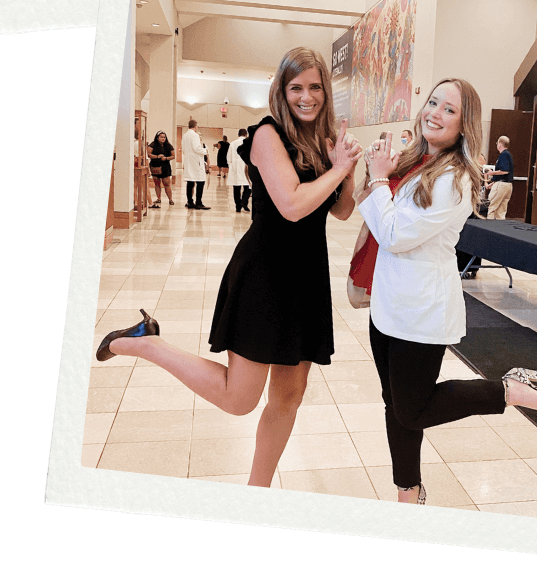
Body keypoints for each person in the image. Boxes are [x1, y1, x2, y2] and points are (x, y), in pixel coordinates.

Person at [97, 48, 363, 487]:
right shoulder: (267, 135)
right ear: (281, 90)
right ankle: (144, 343)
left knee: (289, 396)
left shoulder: (323, 140)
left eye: (315, 86)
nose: (307, 96)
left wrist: (347, 175)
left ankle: (255, 493)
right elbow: (293, 206)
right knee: (239, 398)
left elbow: (340, 212)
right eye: (296, 87)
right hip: (266, 274)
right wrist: (337, 172)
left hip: (306, 278)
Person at [356, 79, 537, 505]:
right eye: (432, 102)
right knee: (396, 405)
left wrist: (377, 181)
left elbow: (392, 233)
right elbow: (374, 216)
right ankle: (407, 490)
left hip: (421, 312)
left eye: (449, 109)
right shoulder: (414, 160)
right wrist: (375, 174)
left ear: (465, 124)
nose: (435, 113)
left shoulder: (457, 178)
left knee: (412, 408)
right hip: (388, 307)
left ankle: (506, 390)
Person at [182, 119, 210, 211]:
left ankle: (190, 202)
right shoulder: (195, 135)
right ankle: (198, 202)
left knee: (190, 181)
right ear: (195, 126)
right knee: (200, 180)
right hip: (196, 161)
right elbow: (197, 148)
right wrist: (206, 150)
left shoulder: (185, 135)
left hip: (189, 160)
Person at [487, 135, 514, 219]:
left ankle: (488, 228)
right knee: (501, 211)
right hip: (508, 185)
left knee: (491, 208)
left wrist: (491, 173)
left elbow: (504, 170)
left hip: (501, 185)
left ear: (500, 144)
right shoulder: (509, 155)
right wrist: (494, 182)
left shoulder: (503, 155)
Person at [148, 130, 175, 207]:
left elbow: (173, 156)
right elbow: (149, 154)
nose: (163, 138)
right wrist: (157, 157)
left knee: (167, 183)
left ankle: (170, 199)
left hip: (165, 166)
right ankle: (158, 198)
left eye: (164, 137)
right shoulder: (152, 145)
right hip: (155, 165)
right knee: (157, 183)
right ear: (157, 137)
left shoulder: (169, 145)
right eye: (161, 137)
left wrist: (166, 158)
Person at [228, 127, 251, 212]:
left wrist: (231, 165)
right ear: (246, 134)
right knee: (248, 187)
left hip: (235, 168)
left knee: (236, 188)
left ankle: (238, 206)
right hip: (245, 167)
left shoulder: (232, 143)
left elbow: (228, 158)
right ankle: (244, 202)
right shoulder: (248, 142)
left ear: (238, 134)